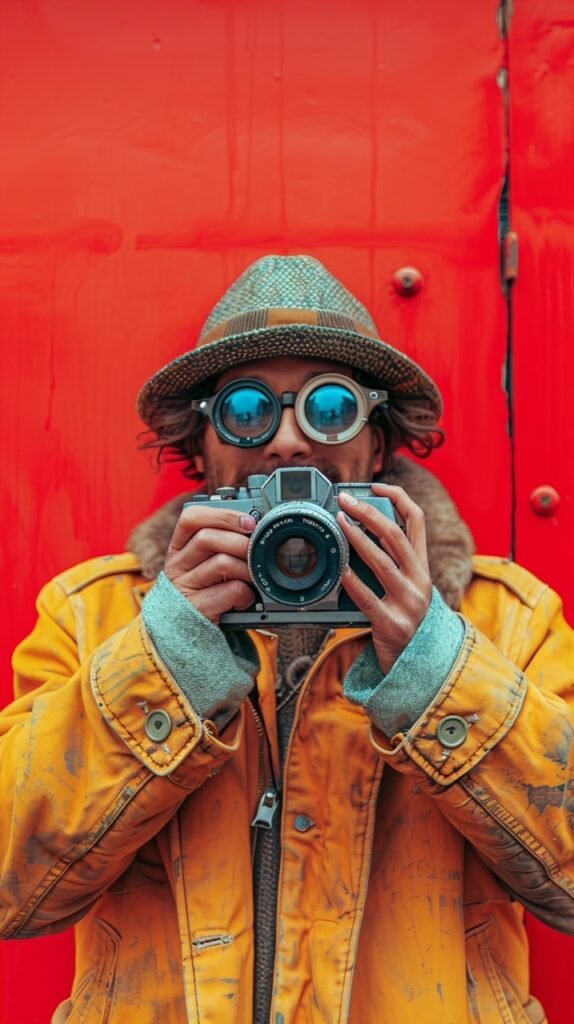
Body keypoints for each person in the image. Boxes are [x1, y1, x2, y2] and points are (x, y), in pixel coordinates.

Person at [1, 255, 573, 1024]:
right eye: (247, 410)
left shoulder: (505, 620)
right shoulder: (93, 617)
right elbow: (12, 889)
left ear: (378, 446)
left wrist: (436, 666)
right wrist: (164, 658)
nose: (288, 443)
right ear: (199, 449)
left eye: (329, 407)